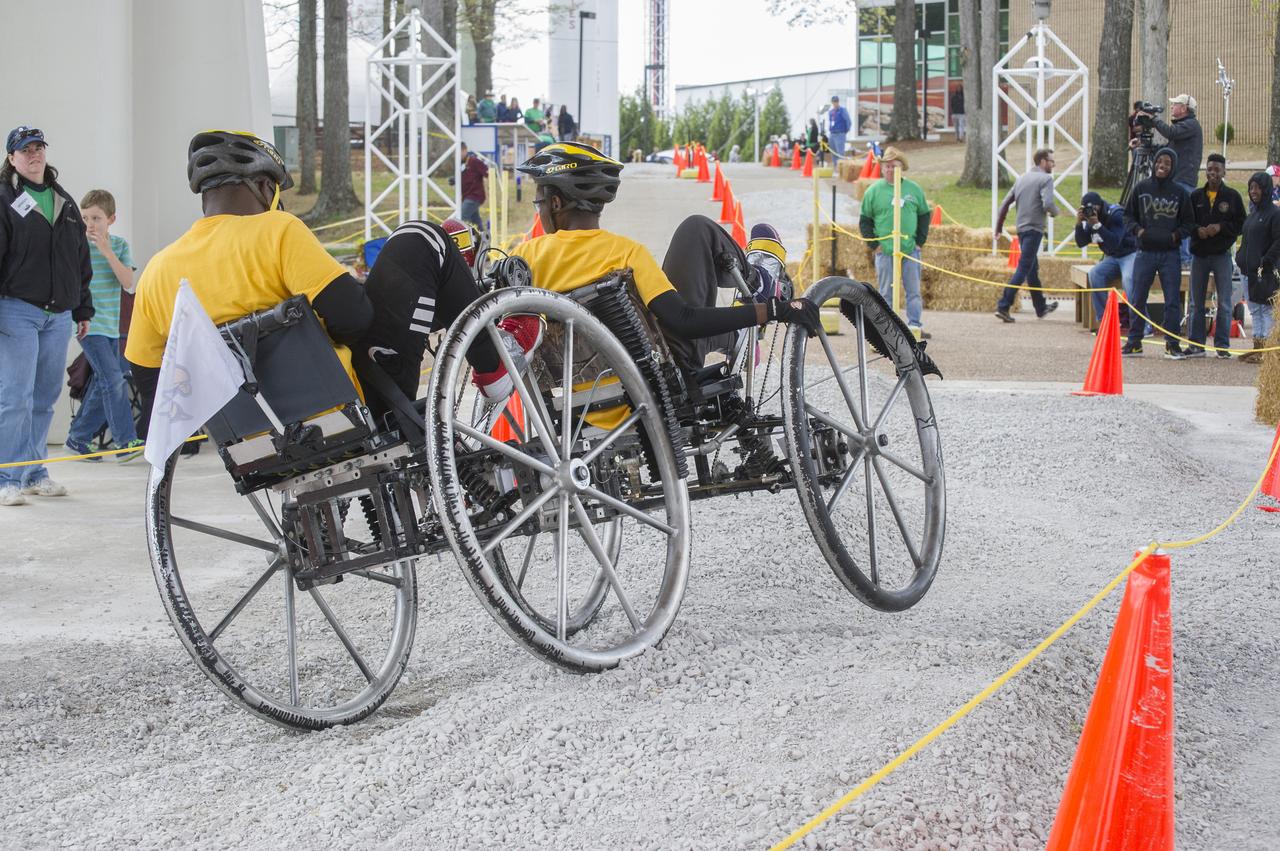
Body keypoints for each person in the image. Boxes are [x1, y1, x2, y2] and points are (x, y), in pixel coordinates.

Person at [125, 131, 534, 446]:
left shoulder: (158, 271)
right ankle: (493, 367)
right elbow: (353, 318)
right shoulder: (276, 229)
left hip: (248, 437)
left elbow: (150, 384)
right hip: (345, 408)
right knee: (423, 238)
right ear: (265, 188)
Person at [509, 142, 820, 375]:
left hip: (569, 407)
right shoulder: (625, 253)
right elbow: (684, 321)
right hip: (654, 389)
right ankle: (761, 284)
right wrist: (772, 310)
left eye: (539, 203)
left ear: (556, 203)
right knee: (696, 229)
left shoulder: (523, 258)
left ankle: (739, 330)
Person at [0, 126, 92, 506]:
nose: (34, 154)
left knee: (44, 398)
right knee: (15, 397)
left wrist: (82, 307)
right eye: (26, 150)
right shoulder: (5, 198)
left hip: (58, 315)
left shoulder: (63, 200)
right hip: (16, 310)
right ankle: (6, 477)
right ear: (12, 158)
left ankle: (34, 473)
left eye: (39, 148)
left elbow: (80, 259)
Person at [64, 189, 144, 460]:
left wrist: (106, 251)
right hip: (87, 325)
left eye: (96, 218)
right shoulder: (77, 246)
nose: (90, 224)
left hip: (111, 327)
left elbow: (127, 282)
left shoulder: (119, 246)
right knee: (113, 380)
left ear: (111, 219)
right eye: (85, 217)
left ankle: (78, 438)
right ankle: (125, 442)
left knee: (104, 382)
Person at [1121, 147, 1195, 358]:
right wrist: (1138, 231)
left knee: (1172, 300)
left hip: (1170, 254)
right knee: (1138, 297)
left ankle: (1172, 343)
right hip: (1145, 252)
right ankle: (1135, 342)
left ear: (1173, 167)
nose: (1162, 165)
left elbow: (1189, 223)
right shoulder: (1141, 188)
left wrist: (1176, 236)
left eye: (1167, 163)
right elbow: (1127, 216)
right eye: (1160, 161)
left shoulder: (1180, 193)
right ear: (1154, 163)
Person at [859, 145, 931, 339]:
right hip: (885, 250)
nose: (890, 170)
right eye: (887, 166)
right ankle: (887, 330)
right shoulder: (873, 191)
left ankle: (914, 326)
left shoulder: (914, 189)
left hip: (910, 249)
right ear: (882, 169)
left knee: (913, 290)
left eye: (894, 166)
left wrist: (920, 241)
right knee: (885, 292)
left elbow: (924, 215)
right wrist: (874, 245)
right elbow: (865, 220)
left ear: (902, 168)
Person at [1186, 153, 1245, 358]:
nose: (1213, 173)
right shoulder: (1195, 196)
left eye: (1217, 170)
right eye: (1210, 169)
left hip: (1221, 255)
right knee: (1196, 302)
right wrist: (1197, 230)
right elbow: (1186, 221)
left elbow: (1241, 224)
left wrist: (1220, 227)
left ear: (1224, 172)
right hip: (1199, 255)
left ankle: (1222, 345)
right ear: (1206, 171)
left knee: (1225, 302)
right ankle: (1196, 344)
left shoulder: (1232, 196)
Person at [993, 148, 1060, 323]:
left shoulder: (1021, 178)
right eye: (1051, 161)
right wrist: (1055, 212)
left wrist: (999, 227)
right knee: (1023, 268)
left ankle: (1040, 307)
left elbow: (1004, 204)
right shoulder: (1046, 179)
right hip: (1034, 229)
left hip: (1021, 229)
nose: (1053, 165)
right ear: (1043, 162)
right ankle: (1003, 305)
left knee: (1031, 268)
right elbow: (1048, 203)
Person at [1136, 94, 1203, 266]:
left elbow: (1170, 132)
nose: (1172, 107)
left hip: (1184, 179)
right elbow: (1167, 150)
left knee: (1181, 218)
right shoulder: (1183, 129)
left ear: (1184, 108)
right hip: (1179, 178)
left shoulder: (1191, 125)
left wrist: (1154, 120)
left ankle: (1185, 259)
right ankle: (1180, 257)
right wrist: (1148, 147)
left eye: (1175, 105)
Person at [1075, 190, 1137, 329]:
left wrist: (1098, 225)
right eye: (1087, 209)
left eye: (1093, 208)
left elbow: (1115, 242)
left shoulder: (1116, 214)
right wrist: (1079, 224)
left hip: (1130, 254)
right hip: (1113, 257)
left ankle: (1140, 324)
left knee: (1128, 279)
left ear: (1100, 206)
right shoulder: (1091, 219)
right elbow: (1081, 242)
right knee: (1095, 274)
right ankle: (1106, 321)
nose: (1091, 212)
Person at [1236, 171, 1280, 364]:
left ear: (1266, 189)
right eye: (1251, 187)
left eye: (1257, 188)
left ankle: (1268, 350)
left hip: (1265, 272)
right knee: (1254, 310)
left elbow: (1278, 240)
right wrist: (1240, 257)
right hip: (1248, 271)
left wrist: (1266, 260)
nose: (1253, 191)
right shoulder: (1253, 214)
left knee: (1266, 310)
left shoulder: (1274, 214)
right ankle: (1258, 346)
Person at [459, 143, 488, 233]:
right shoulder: (461, 163)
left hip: (475, 196)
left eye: (459, 152)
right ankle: (483, 238)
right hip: (466, 195)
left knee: (463, 216)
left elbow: (487, 172)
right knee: (475, 220)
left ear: (465, 150)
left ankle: (468, 238)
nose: (457, 155)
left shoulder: (474, 161)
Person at [826, 96, 851, 162]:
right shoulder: (830, 112)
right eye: (834, 101)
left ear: (838, 102)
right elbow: (830, 122)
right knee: (833, 152)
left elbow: (848, 121)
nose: (835, 103)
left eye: (836, 101)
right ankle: (835, 166)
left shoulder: (842, 110)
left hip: (840, 134)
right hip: (832, 134)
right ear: (832, 102)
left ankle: (841, 166)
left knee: (840, 153)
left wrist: (844, 131)